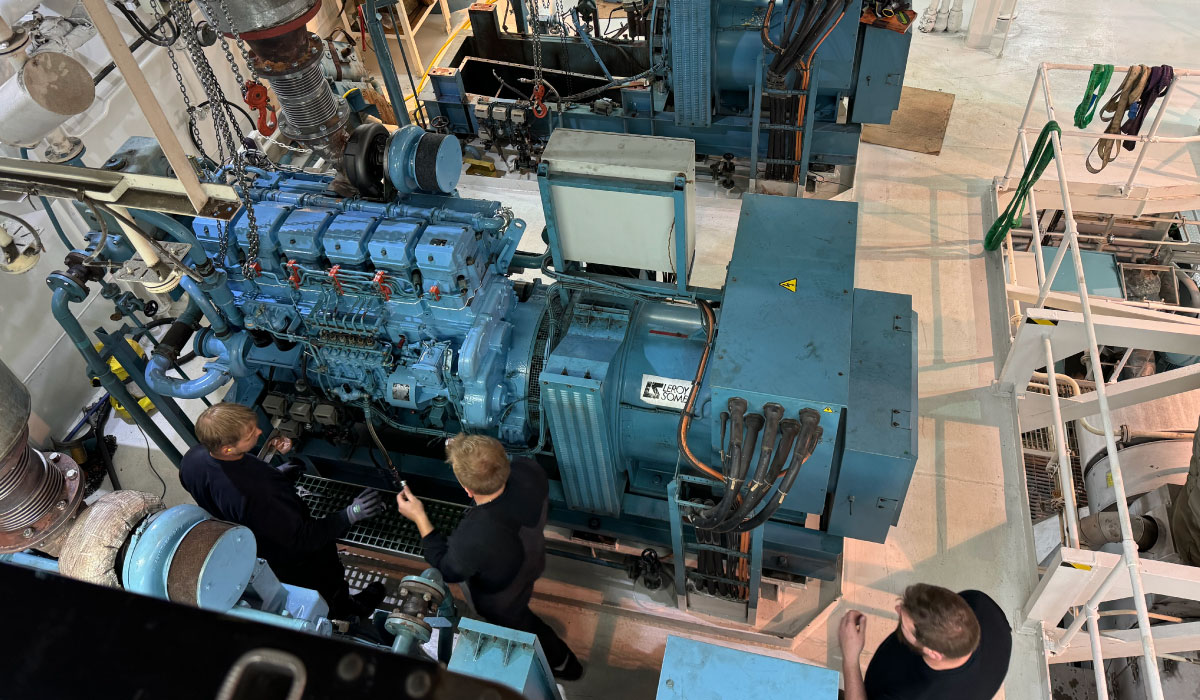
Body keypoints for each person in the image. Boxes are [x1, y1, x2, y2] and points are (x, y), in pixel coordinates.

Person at [393, 433, 584, 681]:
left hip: (503, 595)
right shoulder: (529, 471)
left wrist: (419, 516)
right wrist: (467, 452)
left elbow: (448, 569)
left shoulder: (475, 536)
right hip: (532, 555)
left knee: (523, 623)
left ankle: (565, 665)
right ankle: (562, 660)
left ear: (467, 489)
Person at [180, 402, 386, 618]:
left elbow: (220, 488)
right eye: (250, 434)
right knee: (324, 588)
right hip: (292, 559)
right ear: (227, 449)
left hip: (254, 540)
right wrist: (349, 514)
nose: (259, 432)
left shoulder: (192, 461)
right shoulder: (259, 494)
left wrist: (276, 475)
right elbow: (303, 539)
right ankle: (348, 611)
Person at [837, 584, 1012, 700]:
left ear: (933, 653)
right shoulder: (978, 604)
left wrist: (850, 658)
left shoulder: (916, 693)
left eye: (904, 626)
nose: (897, 610)